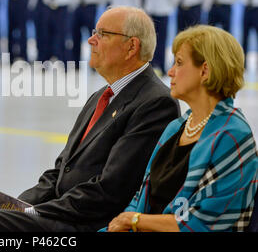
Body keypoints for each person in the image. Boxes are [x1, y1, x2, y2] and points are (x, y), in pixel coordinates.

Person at [0, 6, 180, 232]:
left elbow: (110, 190)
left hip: (89, 221)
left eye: (102, 34)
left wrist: (38, 212)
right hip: (61, 210)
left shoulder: (154, 102)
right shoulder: (102, 95)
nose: (91, 40)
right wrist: (17, 204)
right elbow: (60, 170)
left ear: (131, 46)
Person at [106, 25, 258, 232]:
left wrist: (135, 221)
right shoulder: (176, 127)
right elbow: (142, 196)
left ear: (205, 70)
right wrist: (123, 223)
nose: (170, 72)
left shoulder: (232, 135)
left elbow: (201, 223)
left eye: (179, 63)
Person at [144, 0, 177, 75]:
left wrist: (168, 8)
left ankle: (161, 66)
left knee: (162, 41)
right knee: (151, 41)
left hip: (163, 13)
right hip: (151, 14)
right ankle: (151, 65)